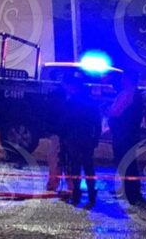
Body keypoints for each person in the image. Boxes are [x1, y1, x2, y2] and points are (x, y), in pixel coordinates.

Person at [59, 74, 101, 207]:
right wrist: (96, 139)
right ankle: (91, 195)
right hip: (87, 138)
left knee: (75, 167)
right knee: (88, 167)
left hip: (74, 138)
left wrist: (63, 138)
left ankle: (76, 194)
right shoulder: (91, 102)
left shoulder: (71, 102)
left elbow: (65, 121)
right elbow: (98, 122)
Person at [109, 70, 144, 205]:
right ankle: (131, 191)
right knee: (129, 163)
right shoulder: (132, 92)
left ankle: (129, 193)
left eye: (124, 78)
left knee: (125, 163)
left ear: (128, 80)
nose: (121, 80)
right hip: (128, 134)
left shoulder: (129, 94)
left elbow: (116, 112)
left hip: (124, 134)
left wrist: (110, 113)